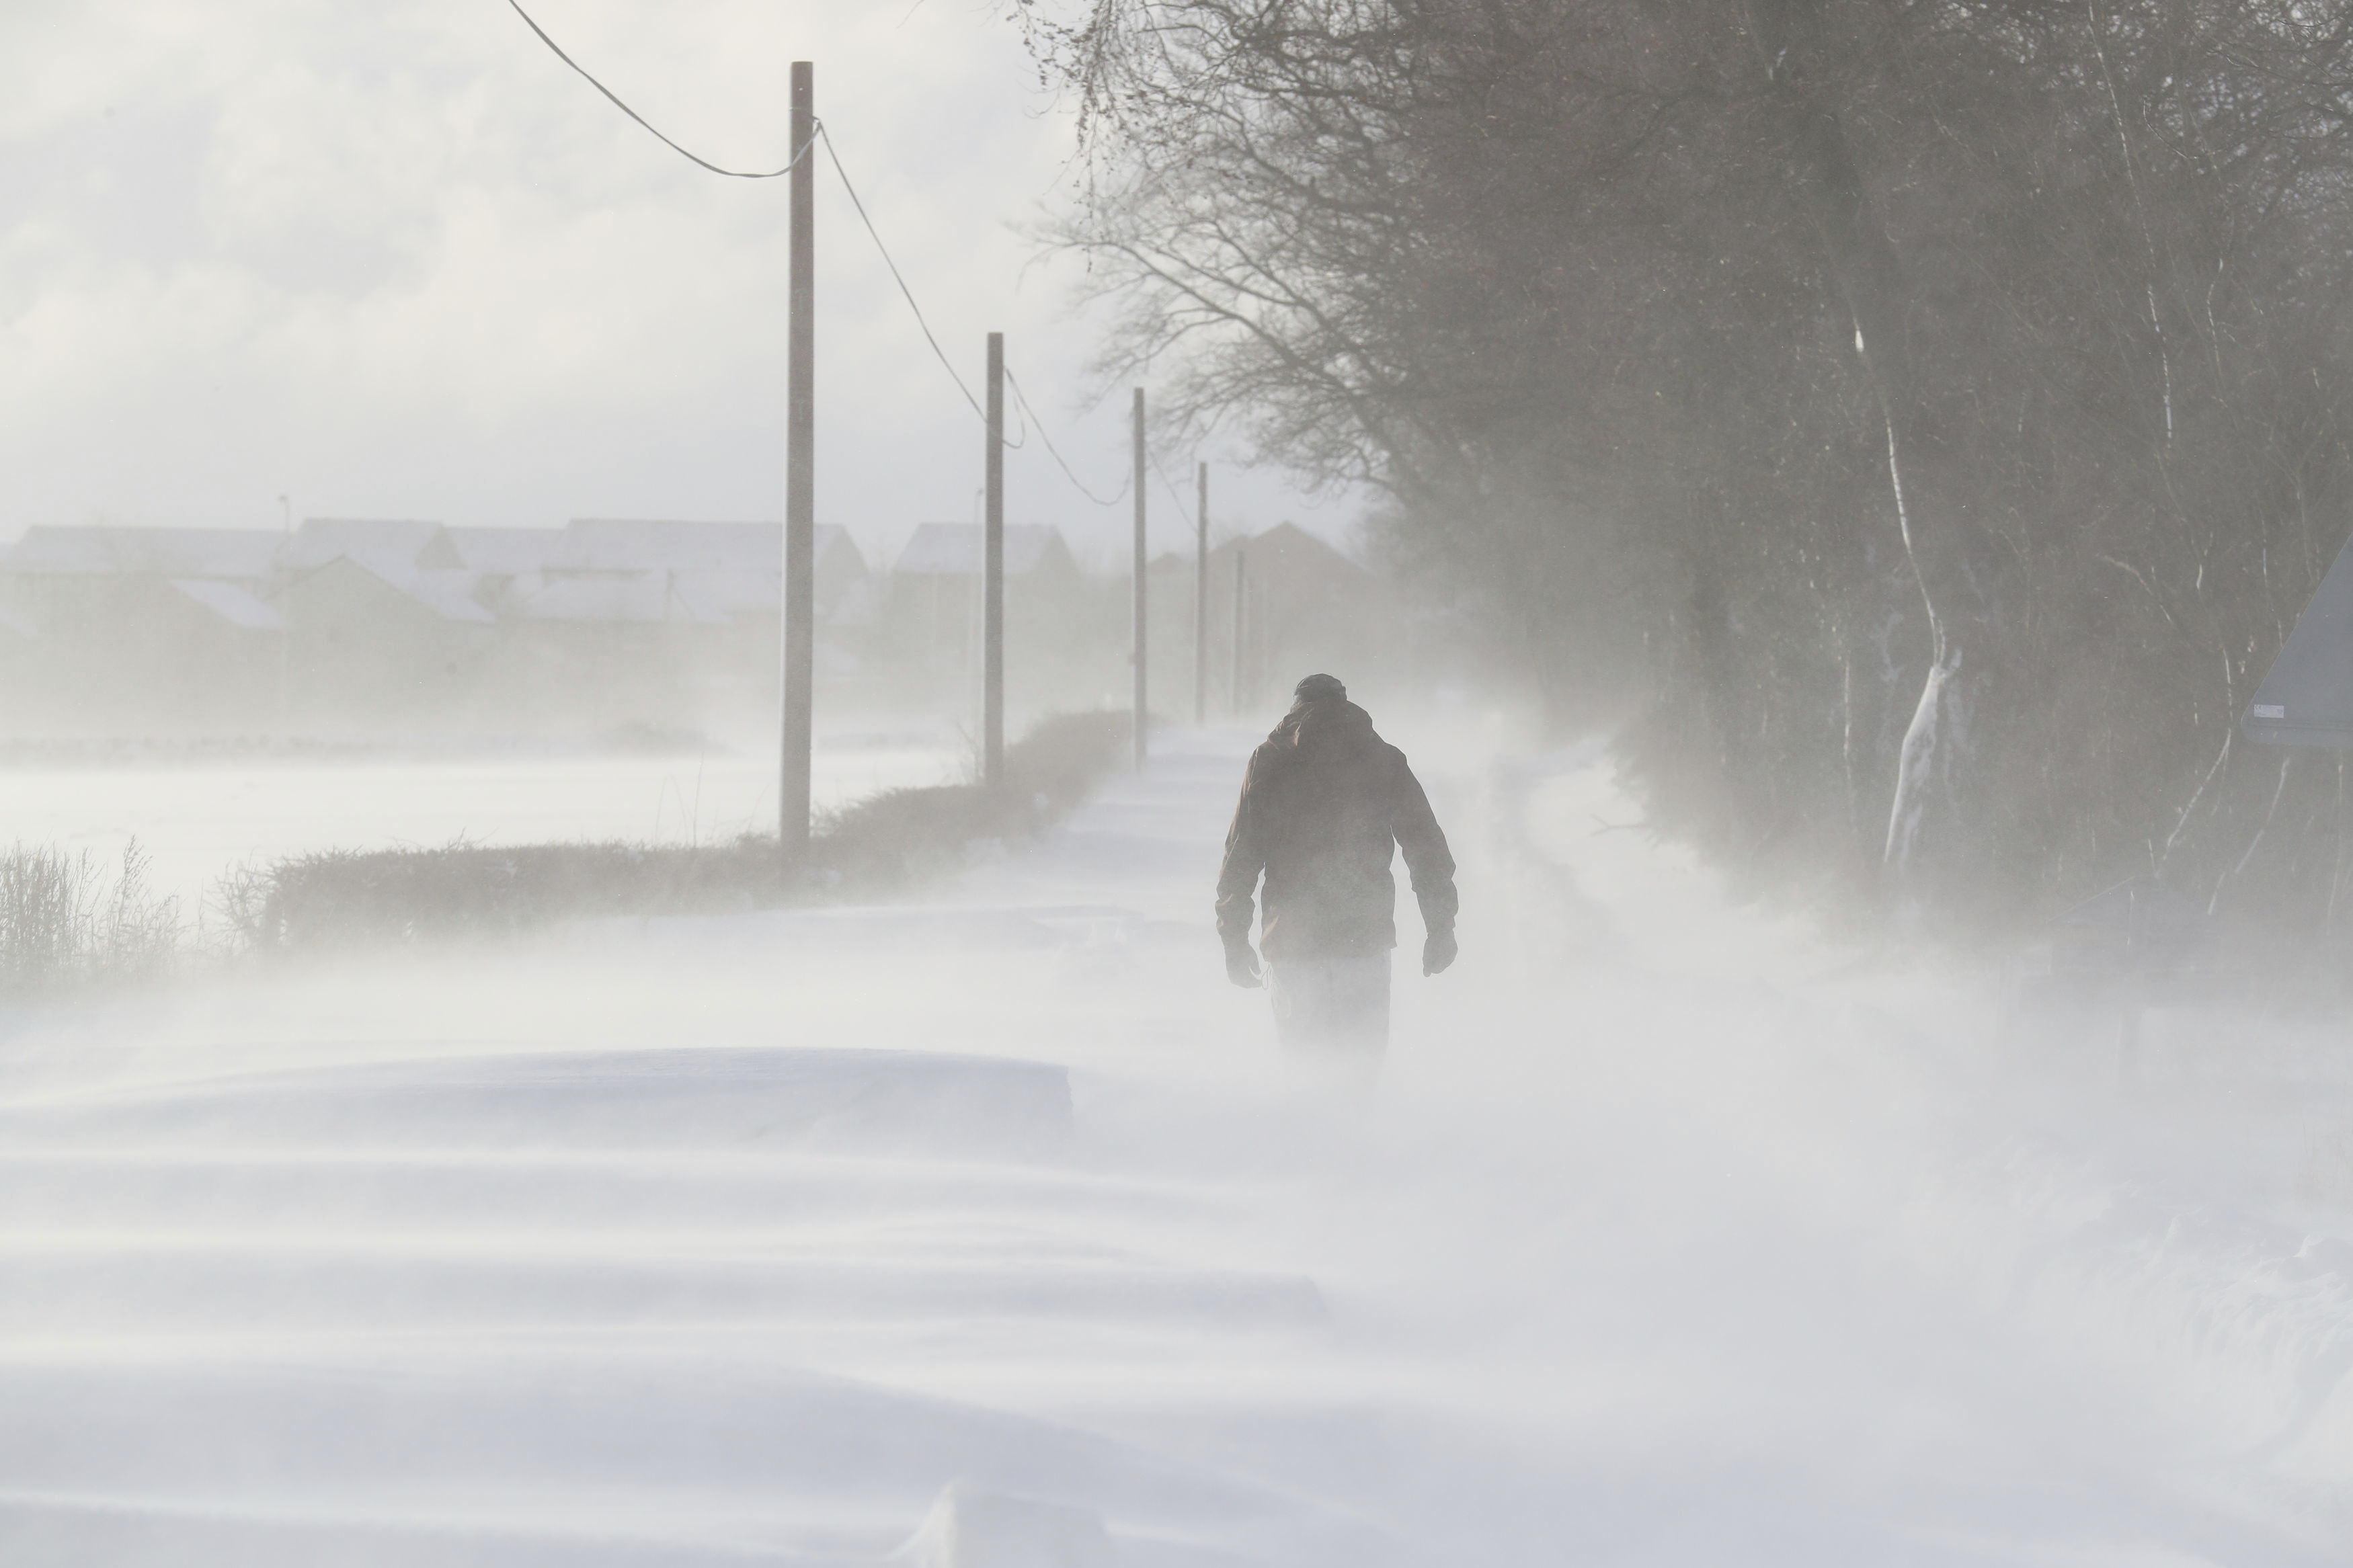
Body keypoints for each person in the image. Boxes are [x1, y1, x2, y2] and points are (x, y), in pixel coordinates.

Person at [1215, 673, 1458, 1057]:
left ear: (1295, 709)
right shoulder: (1383, 759)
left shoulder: (1269, 761)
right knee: (1361, 1069)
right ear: (1346, 706)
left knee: (1305, 1071)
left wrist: (1233, 938)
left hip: (1292, 943)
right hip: (1363, 940)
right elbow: (1426, 848)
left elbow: (1241, 857)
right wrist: (1440, 927)